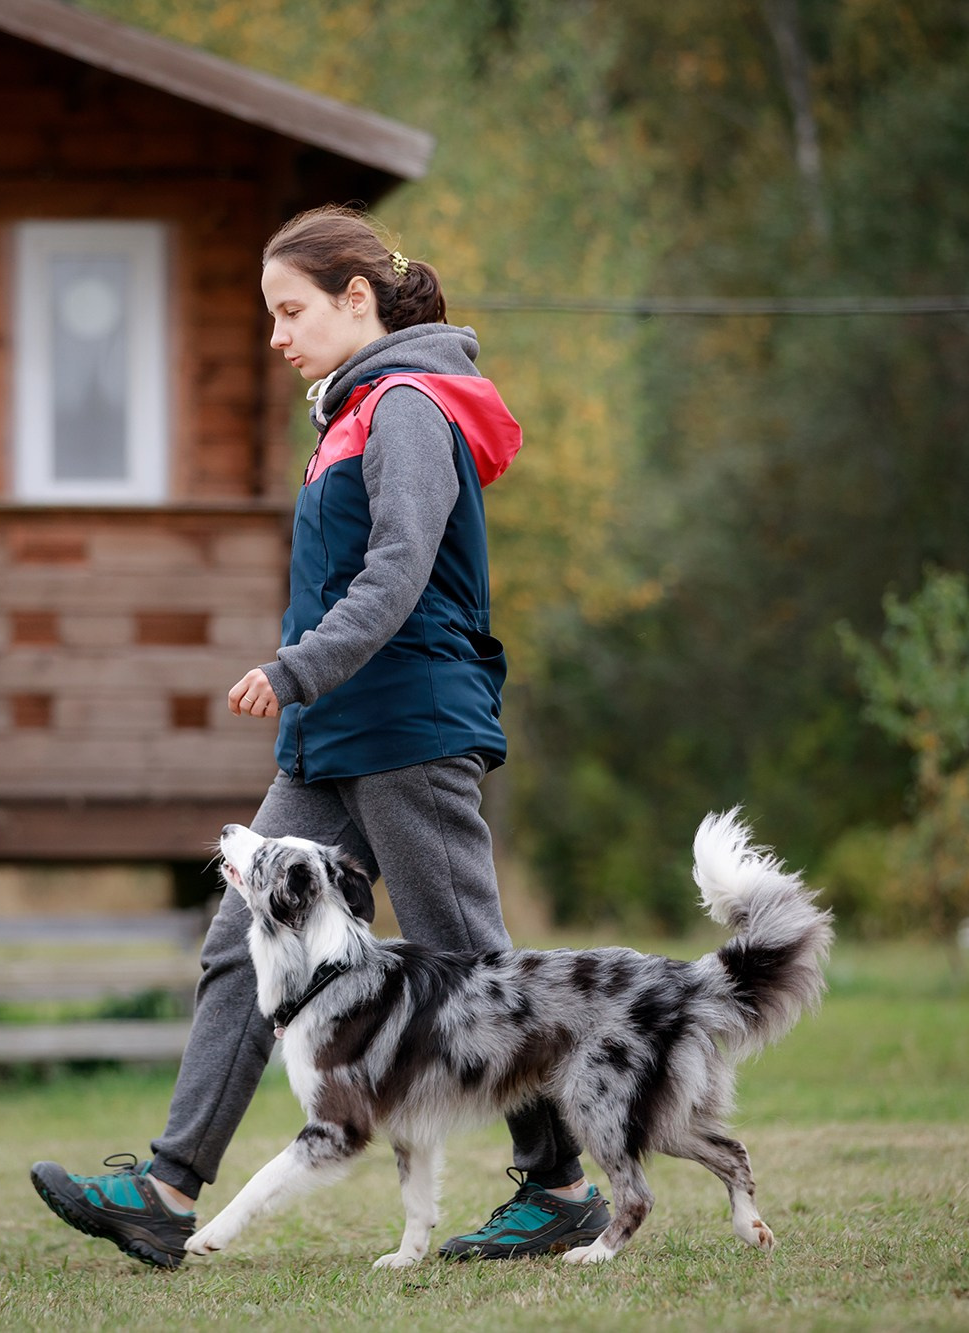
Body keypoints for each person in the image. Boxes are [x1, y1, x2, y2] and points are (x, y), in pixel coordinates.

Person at [29, 205, 604, 1267]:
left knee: (470, 968)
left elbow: (394, 573)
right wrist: (305, 692)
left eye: (290, 310)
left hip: (408, 725)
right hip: (332, 734)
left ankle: (560, 1183)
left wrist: (292, 667)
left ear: (358, 299)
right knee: (238, 944)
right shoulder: (349, 414)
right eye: (270, 314)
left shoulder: (408, 409)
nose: (276, 333)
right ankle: (163, 1186)